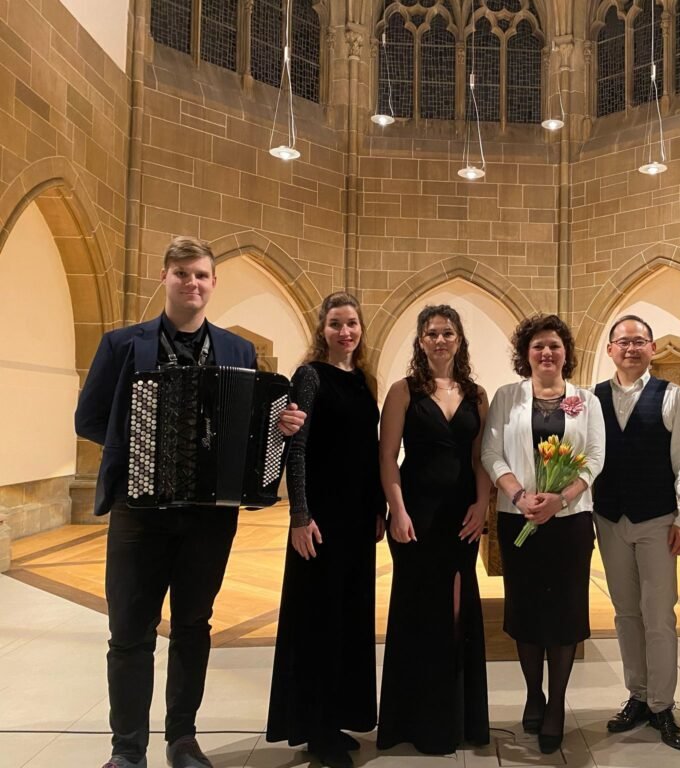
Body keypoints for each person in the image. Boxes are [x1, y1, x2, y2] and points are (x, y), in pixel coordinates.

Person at [74, 236, 305, 768]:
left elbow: (255, 425)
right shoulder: (121, 344)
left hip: (208, 517)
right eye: (181, 273)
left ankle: (182, 739)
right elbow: (88, 419)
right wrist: (140, 446)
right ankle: (127, 750)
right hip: (139, 512)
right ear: (165, 278)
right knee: (129, 632)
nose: (192, 283)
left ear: (213, 282)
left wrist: (283, 425)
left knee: (193, 627)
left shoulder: (237, 350)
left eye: (200, 274)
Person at [266, 292, 385, 768]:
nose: (345, 331)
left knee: (348, 619)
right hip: (320, 521)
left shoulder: (364, 380)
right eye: (336, 323)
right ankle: (317, 728)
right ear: (323, 329)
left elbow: (369, 450)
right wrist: (299, 516)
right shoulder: (310, 376)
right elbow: (297, 448)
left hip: (356, 521)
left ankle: (335, 718)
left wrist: (377, 509)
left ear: (361, 328)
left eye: (352, 323)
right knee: (318, 622)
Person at [481, 314, 605, 754]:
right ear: (526, 354)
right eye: (538, 346)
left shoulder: (585, 401)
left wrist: (561, 499)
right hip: (519, 517)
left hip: (570, 522)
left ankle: (556, 705)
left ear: (566, 352)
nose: (547, 353)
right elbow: (491, 452)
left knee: (566, 612)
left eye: (554, 345)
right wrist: (519, 495)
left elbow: (594, 458)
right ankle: (534, 693)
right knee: (526, 609)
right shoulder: (507, 396)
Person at [376, 305, 491, 755]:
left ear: (459, 339)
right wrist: (397, 510)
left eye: (447, 333)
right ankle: (416, 721)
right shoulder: (403, 391)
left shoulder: (477, 394)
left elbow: (480, 457)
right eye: (431, 333)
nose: (440, 340)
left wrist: (482, 504)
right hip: (417, 516)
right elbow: (388, 457)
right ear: (420, 341)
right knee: (419, 613)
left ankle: (455, 719)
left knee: (457, 615)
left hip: (462, 517)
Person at [592, 315, 680, 751]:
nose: (631, 348)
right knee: (625, 613)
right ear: (610, 349)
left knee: (658, 615)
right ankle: (637, 695)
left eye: (639, 341)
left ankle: (662, 704)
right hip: (610, 519)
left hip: (658, 520)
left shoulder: (671, 395)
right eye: (623, 342)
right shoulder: (592, 399)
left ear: (652, 348)